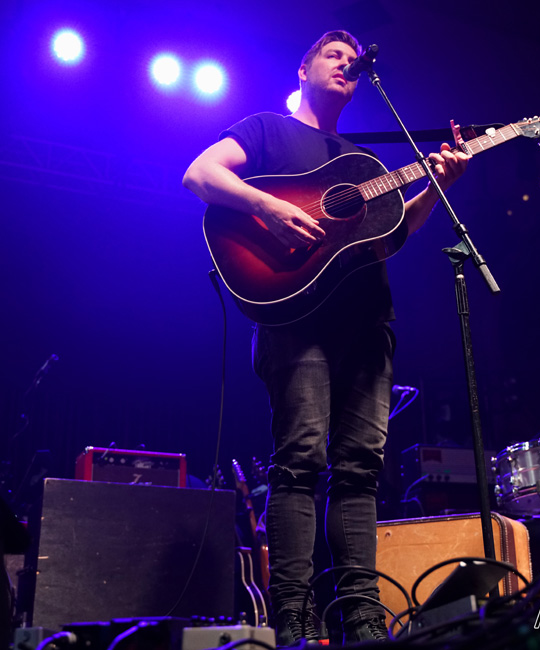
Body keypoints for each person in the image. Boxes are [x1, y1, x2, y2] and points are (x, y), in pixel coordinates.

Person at [183, 30, 470, 646]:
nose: (347, 63)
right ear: (305, 68)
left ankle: (360, 616)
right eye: (333, 55)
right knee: (301, 461)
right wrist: (266, 207)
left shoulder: (361, 160)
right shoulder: (266, 129)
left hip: (368, 321)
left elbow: (392, 234)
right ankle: (292, 615)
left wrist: (437, 184)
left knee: (361, 468)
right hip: (295, 317)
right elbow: (200, 174)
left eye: (353, 59)